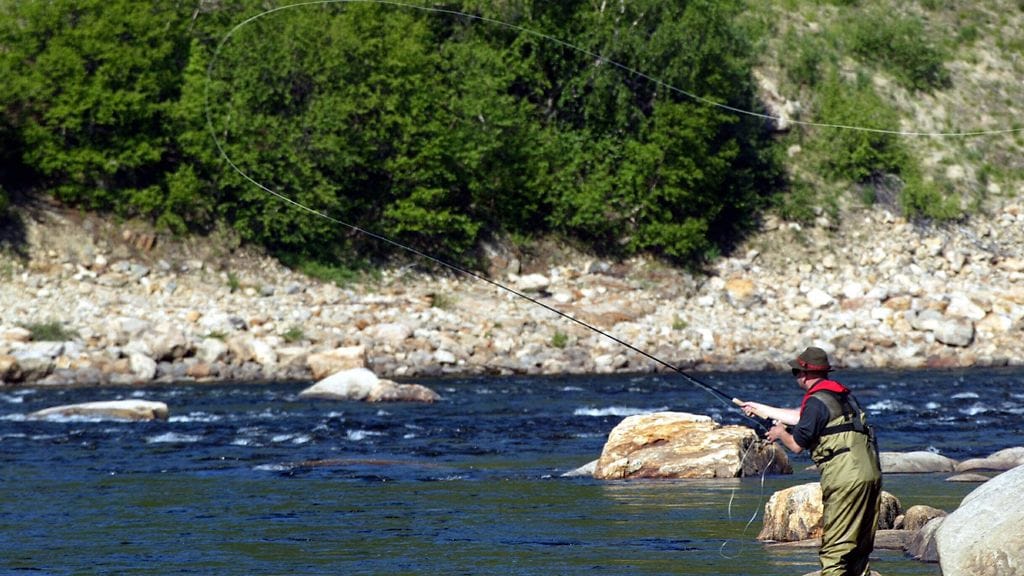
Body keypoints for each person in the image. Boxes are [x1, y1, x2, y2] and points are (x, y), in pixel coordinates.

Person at [740, 347, 882, 576]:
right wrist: (757, 408)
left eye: (795, 372)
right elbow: (800, 416)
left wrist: (779, 434)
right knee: (859, 550)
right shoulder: (839, 395)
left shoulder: (816, 401)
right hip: (870, 473)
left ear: (802, 374)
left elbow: (796, 445)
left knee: (835, 552)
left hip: (845, 477)